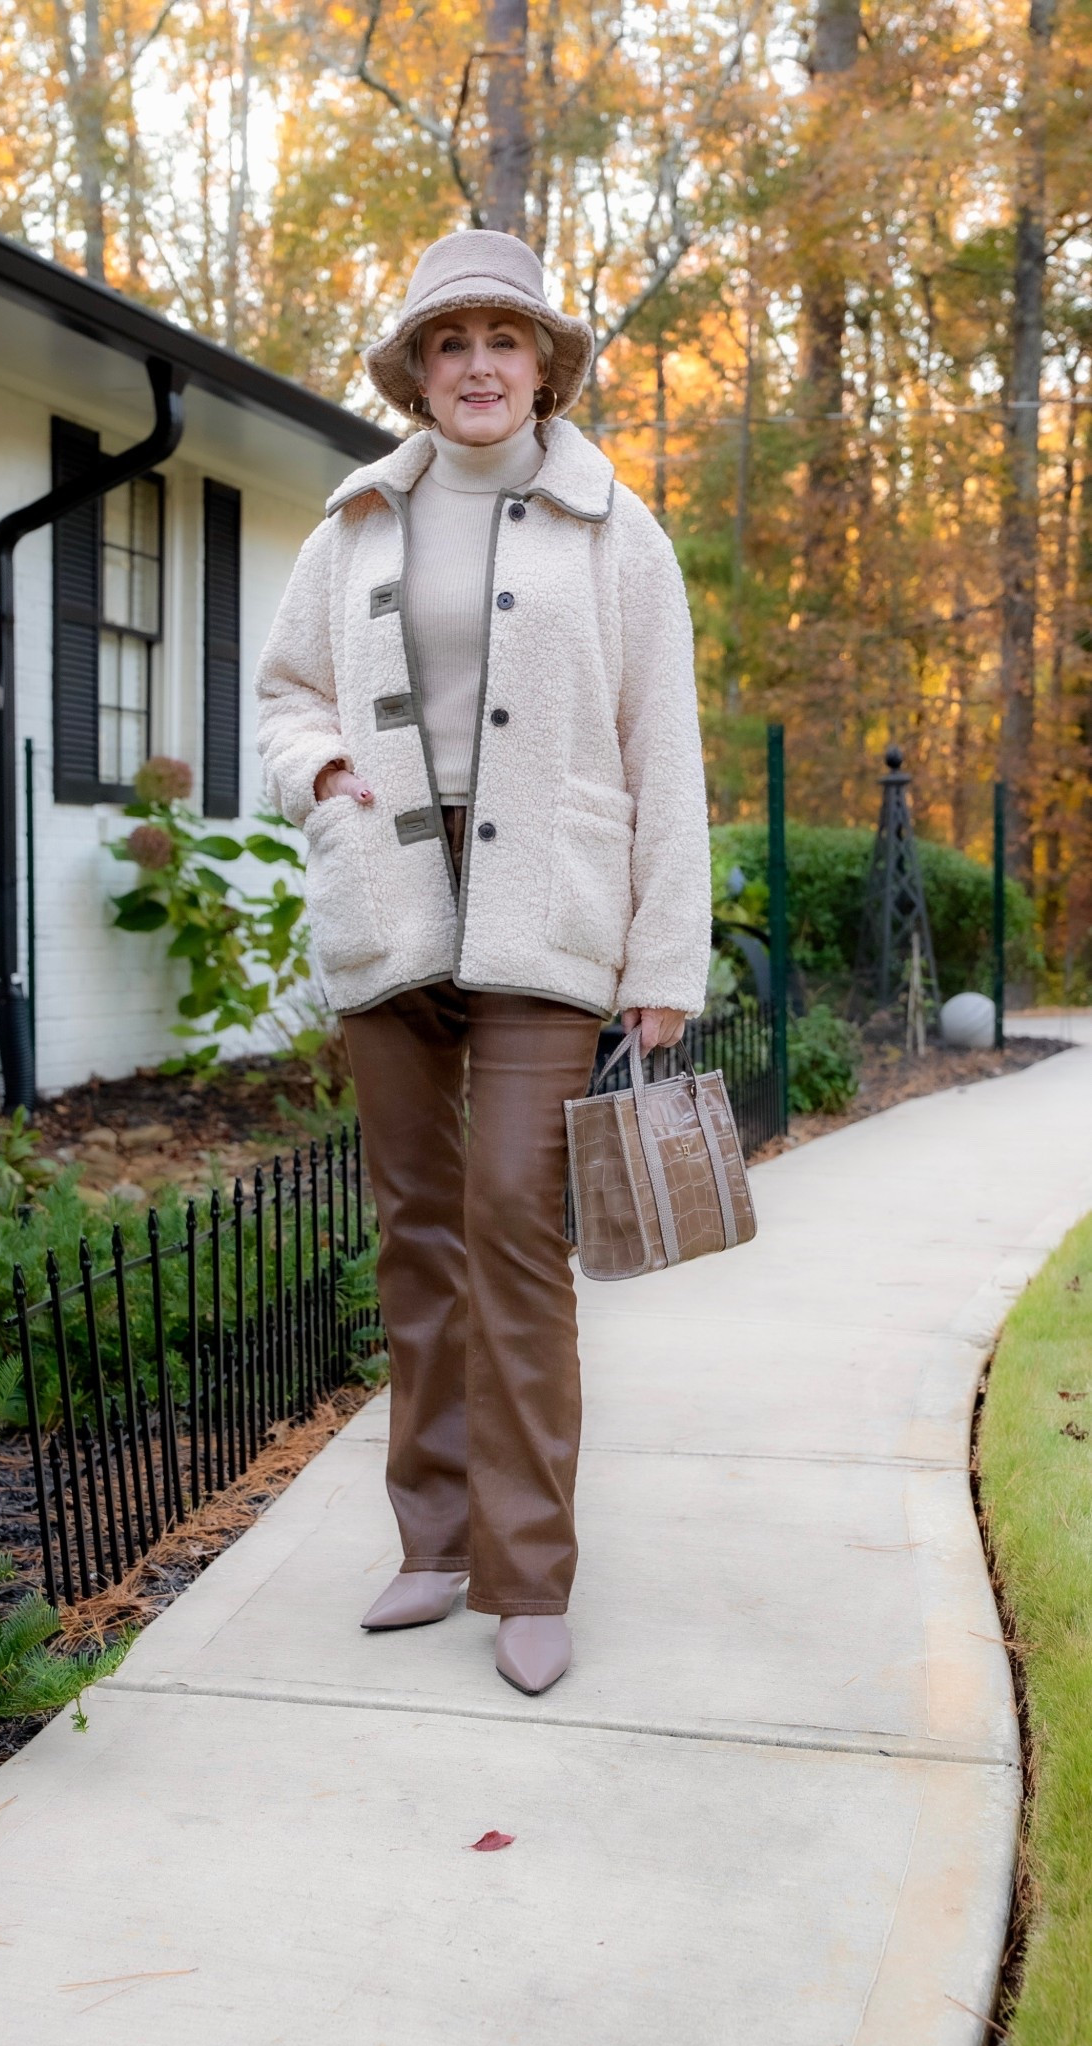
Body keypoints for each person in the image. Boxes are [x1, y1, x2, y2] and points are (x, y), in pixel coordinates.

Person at [255, 228, 711, 1695]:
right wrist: (324, 775)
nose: (475, 366)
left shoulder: (613, 531)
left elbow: (664, 748)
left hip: (549, 907)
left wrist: (665, 954)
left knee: (512, 1221)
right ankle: (433, 1539)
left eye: (501, 340)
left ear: (542, 365)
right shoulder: (353, 526)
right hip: (389, 896)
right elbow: (285, 692)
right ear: (415, 371)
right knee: (415, 1231)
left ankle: (527, 1571)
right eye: (447, 343)